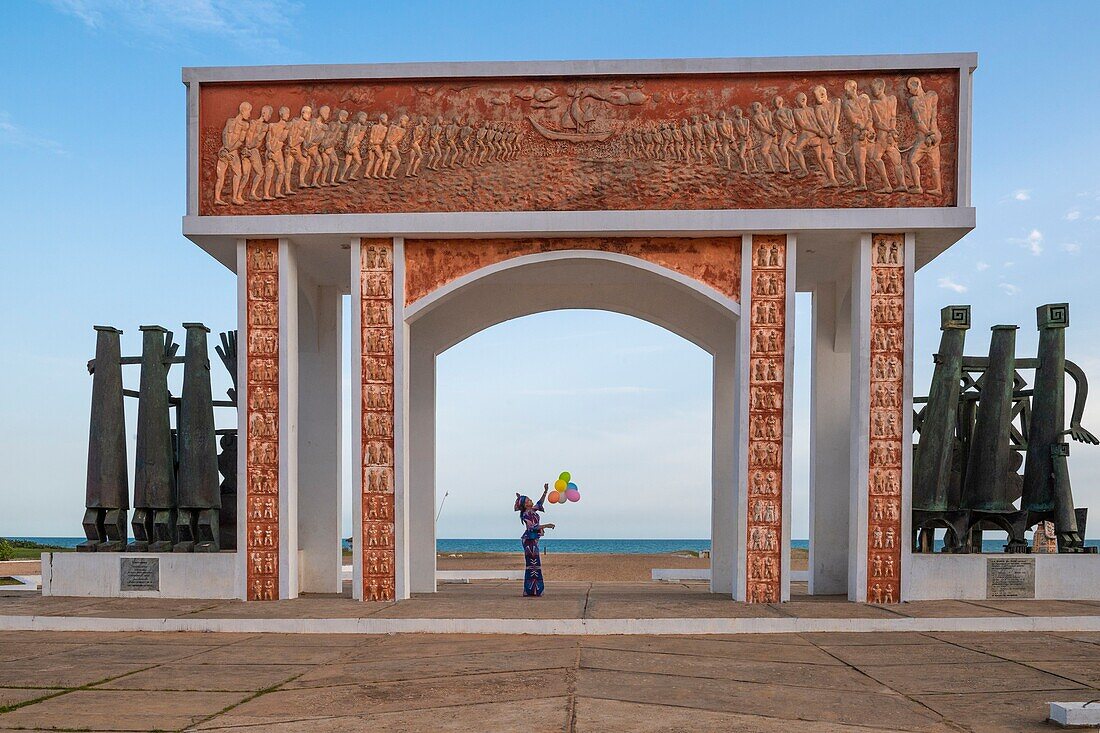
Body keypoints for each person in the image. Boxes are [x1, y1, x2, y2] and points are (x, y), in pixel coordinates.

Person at [515, 484, 555, 597]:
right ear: (525, 504)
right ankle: (531, 590)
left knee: (535, 564)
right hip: (528, 540)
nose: (531, 500)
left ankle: (534, 590)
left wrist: (545, 491)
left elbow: (540, 503)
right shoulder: (525, 514)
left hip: (533, 540)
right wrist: (546, 525)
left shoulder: (533, 510)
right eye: (528, 500)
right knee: (533, 564)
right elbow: (532, 527)